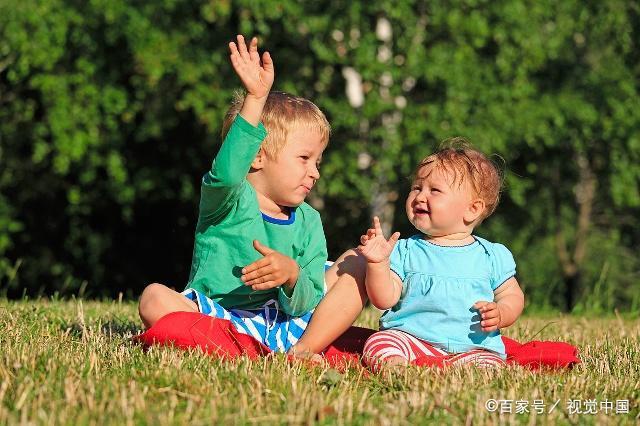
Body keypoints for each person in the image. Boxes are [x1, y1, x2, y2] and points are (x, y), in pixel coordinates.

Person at [138, 34, 342, 353]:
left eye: (317, 161)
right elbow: (228, 170)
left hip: (282, 325)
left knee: (355, 263)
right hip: (218, 319)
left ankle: (285, 350)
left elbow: (306, 301)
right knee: (154, 298)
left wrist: (292, 276)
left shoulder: (309, 221)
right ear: (257, 156)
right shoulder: (227, 200)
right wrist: (256, 100)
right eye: (304, 159)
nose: (315, 171)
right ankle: (240, 348)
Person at [293, 140, 525, 369]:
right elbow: (384, 299)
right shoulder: (404, 250)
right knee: (379, 342)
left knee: (490, 363)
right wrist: (378, 264)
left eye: (434, 190)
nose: (420, 196)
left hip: (472, 347)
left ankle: (471, 370)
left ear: (472, 209)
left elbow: (511, 295)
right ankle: (396, 366)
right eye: (417, 187)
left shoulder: (490, 255)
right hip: (411, 340)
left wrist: (502, 313)